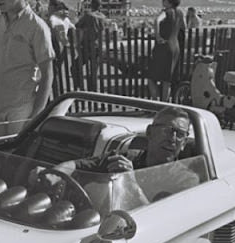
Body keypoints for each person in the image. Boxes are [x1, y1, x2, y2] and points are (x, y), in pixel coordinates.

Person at [34, 107, 200, 205]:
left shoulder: (186, 180)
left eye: (180, 134)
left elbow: (157, 221)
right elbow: (75, 164)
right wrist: (54, 174)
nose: (172, 139)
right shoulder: (127, 158)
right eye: (167, 130)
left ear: (184, 142)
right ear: (149, 132)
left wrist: (130, 181)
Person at [0, 0, 55, 135]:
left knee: (16, 153)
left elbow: (47, 74)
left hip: (23, 109)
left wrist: (36, 115)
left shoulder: (37, 26)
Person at [147, 0, 186, 101]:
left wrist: (157, 36)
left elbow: (157, 20)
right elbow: (184, 26)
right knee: (167, 80)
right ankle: (164, 105)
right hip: (175, 46)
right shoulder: (180, 13)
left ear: (169, 2)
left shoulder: (165, 12)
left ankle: (155, 103)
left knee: (151, 78)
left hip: (164, 47)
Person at [74, 0, 107, 91]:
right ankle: (93, 90)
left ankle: (79, 86)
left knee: (75, 66)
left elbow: (77, 25)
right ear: (100, 6)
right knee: (93, 71)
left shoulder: (88, 15)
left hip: (86, 46)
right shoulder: (103, 17)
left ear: (91, 5)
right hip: (97, 46)